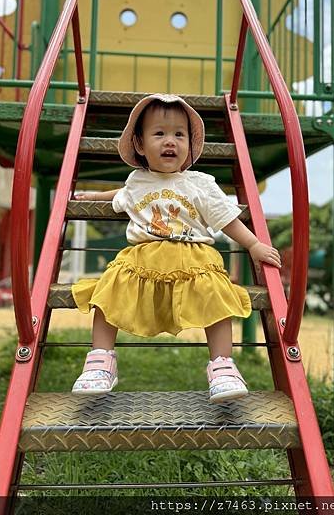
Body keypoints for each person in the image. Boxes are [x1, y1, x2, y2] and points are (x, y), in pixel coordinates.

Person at [71, 93, 281, 402]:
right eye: (159, 134)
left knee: (216, 295)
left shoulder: (200, 183)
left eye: (179, 135)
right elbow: (122, 195)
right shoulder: (136, 181)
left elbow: (225, 218)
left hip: (193, 257)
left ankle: (222, 366)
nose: (170, 142)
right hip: (143, 257)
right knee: (108, 291)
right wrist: (92, 197)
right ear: (140, 145)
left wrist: (252, 244)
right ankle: (101, 361)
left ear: (190, 145)